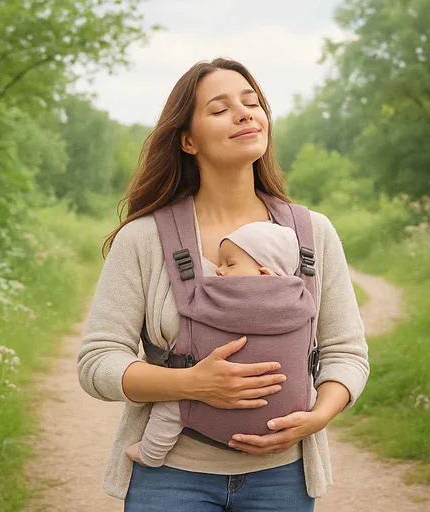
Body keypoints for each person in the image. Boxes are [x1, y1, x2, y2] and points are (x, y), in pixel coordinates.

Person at [77, 57, 370, 511]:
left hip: (284, 476)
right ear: (188, 140)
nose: (245, 113)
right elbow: (98, 362)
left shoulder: (313, 234)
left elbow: (346, 353)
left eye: (252, 103)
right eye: (220, 109)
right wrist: (193, 384)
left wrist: (319, 416)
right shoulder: (144, 239)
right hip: (170, 477)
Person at [125, 221, 319, 468]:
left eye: (230, 264)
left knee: (172, 408)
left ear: (264, 274)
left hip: (199, 412)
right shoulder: (302, 301)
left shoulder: (216, 297)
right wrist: (318, 416)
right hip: (286, 413)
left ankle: (150, 454)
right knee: (306, 389)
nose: (218, 271)